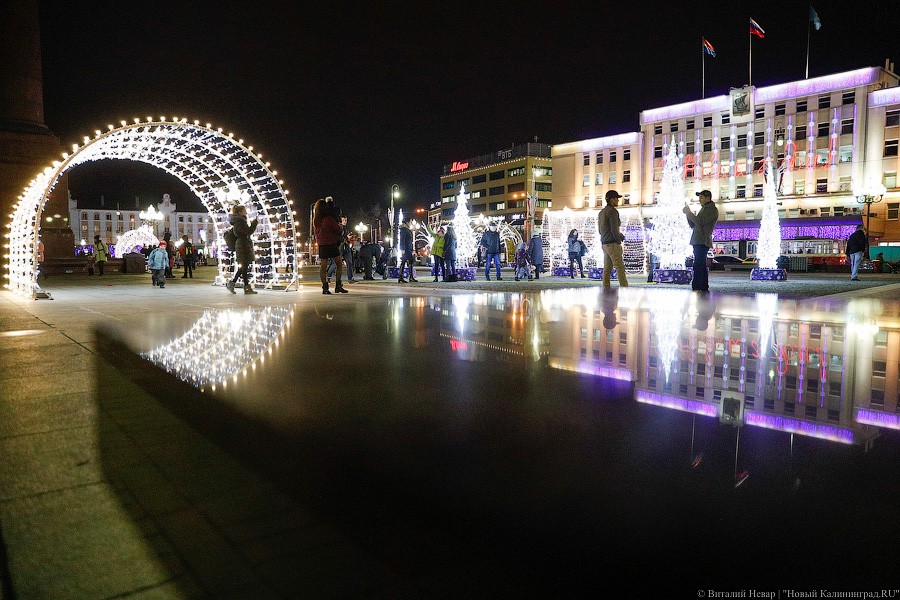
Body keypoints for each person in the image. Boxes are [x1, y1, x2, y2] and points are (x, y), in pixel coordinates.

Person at [683, 189, 719, 293]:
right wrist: (688, 214)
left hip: (702, 240)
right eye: (699, 198)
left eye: (702, 197)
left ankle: (697, 286)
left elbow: (700, 222)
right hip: (699, 240)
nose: (700, 200)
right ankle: (702, 286)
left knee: (698, 264)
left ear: (708, 198)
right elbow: (693, 224)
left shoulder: (712, 209)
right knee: (701, 264)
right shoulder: (704, 209)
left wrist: (689, 213)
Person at [597, 190, 629, 288]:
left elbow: (600, 230)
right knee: (620, 267)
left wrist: (617, 235)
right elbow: (614, 229)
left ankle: (606, 288)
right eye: (616, 198)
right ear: (612, 200)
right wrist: (618, 240)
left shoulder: (601, 212)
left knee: (607, 268)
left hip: (604, 243)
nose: (618, 200)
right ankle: (624, 288)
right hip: (612, 244)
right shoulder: (613, 211)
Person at [313, 197, 346, 294]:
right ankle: (338, 285)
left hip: (322, 245)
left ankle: (325, 287)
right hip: (331, 243)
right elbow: (339, 230)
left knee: (323, 267)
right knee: (339, 264)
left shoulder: (316, 220)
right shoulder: (328, 219)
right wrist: (340, 226)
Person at [225, 204, 259, 294]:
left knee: (244, 267)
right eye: (244, 211)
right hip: (243, 245)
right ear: (240, 212)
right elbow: (248, 232)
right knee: (244, 267)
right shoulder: (240, 222)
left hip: (243, 245)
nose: (246, 212)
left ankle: (236, 285)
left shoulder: (239, 221)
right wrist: (254, 224)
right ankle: (243, 287)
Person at [398, 218, 417, 283]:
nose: (411, 223)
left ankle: (403, 277)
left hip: (408, 248)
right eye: (410, 222)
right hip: (406, 249)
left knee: (406, 262)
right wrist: (402, 249)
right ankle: (406, 277)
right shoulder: (404, 229)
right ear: (407, 222)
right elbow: (402, 239)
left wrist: (412, 249)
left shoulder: (406, 229)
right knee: (408, 261)